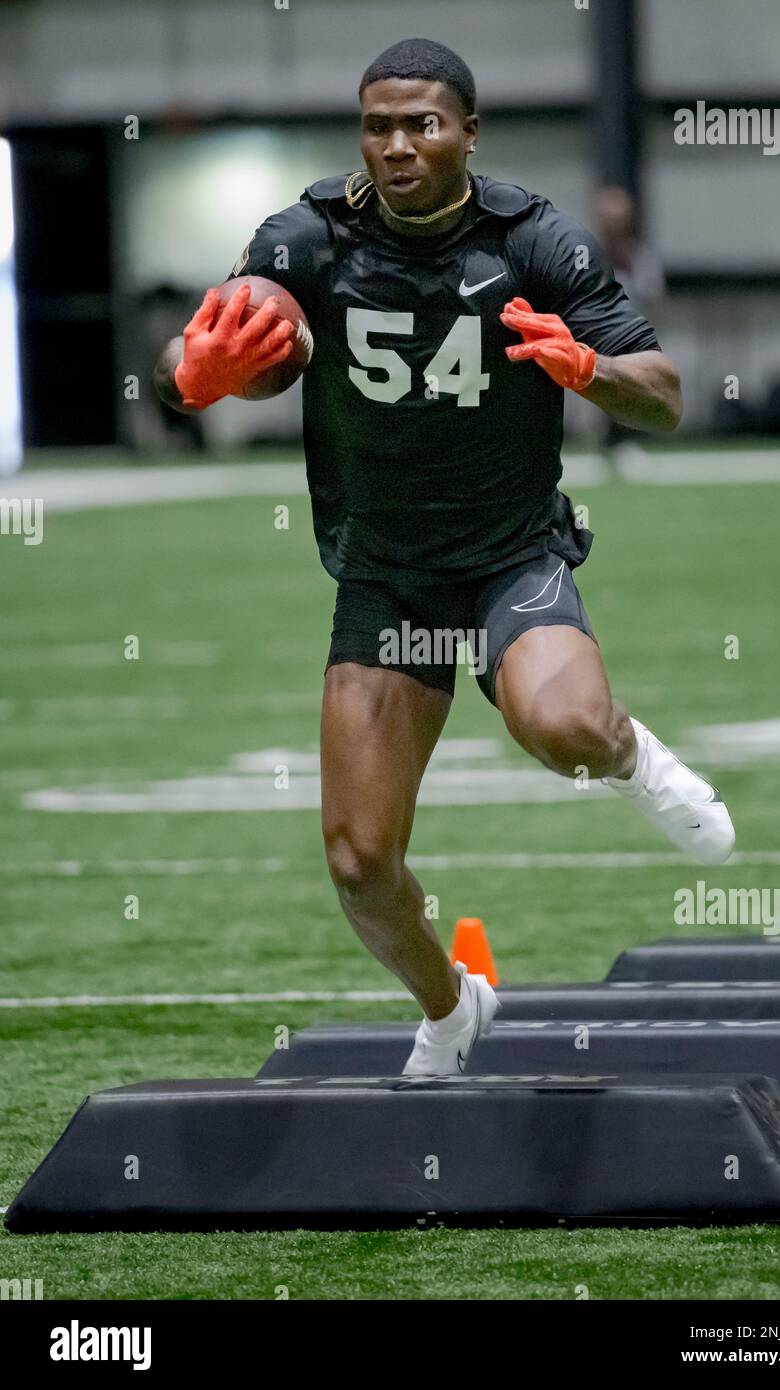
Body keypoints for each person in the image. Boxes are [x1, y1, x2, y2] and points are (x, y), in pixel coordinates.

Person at [154, 38, 735, 1076]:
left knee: (559, 726)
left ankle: (629, 756)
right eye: (378, 126)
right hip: (383, 571)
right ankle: (452, 1006)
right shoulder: (307, 236)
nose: (398, 145)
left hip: (508, 553)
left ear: (467, 130)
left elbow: (665, 393)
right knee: (358, 860)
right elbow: (214, 339)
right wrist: (187, 374)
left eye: (421, 123)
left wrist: (587, 367)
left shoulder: (532, 239)